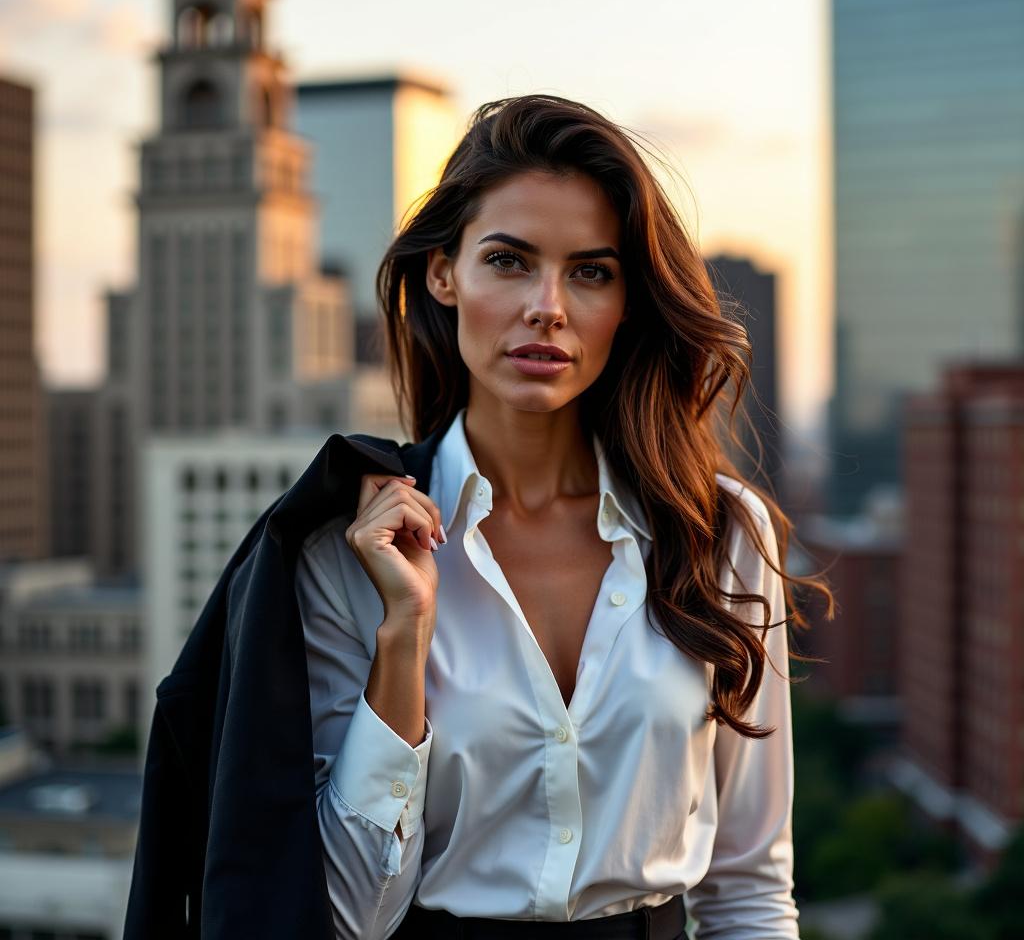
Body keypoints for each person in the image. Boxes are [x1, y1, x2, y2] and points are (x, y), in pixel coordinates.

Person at [294, 93, 834, 940]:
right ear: (444, 273)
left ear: (627, 303)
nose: (547, 305)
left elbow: (749, 888)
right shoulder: (352, 552)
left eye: (590, 271)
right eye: (508, 261)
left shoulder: (719, 533)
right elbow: (348, 915)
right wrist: (405, 634)